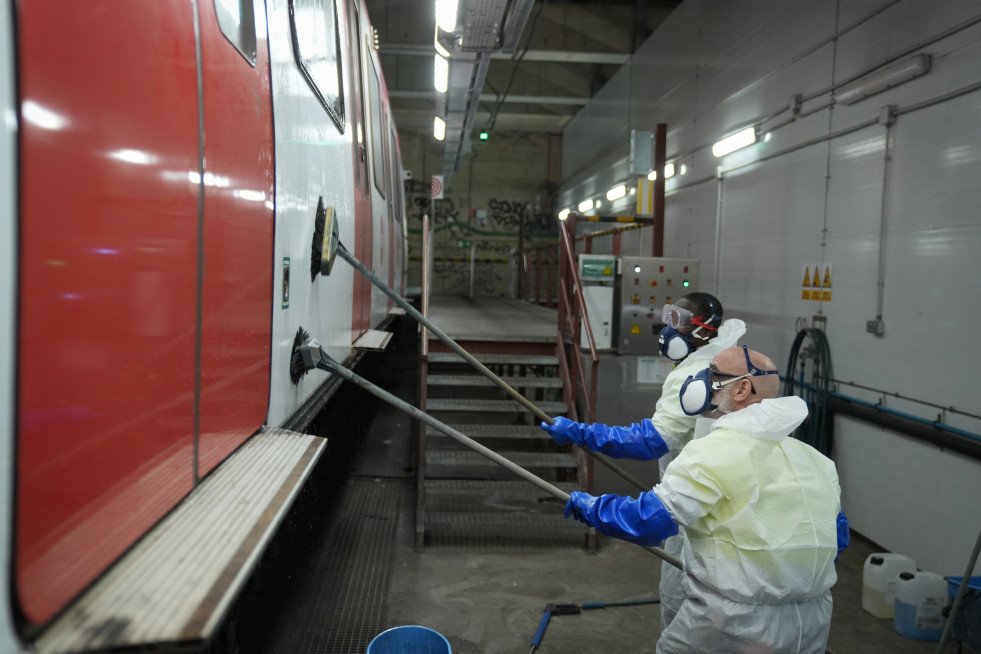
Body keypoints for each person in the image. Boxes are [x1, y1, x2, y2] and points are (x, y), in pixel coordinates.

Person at [563, 346, 849, 654]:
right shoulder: (815, 460)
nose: (700, 379)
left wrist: (594, 508)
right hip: (809, 624)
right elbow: (837, 540)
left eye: (713, 373)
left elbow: (648, 521)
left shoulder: (711, 451)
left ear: (742, 388)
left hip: (730, 624)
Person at [541, 292, 745, 629]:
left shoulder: (693, 375)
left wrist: (581, 435)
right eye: (668, 317)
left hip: (700, 519)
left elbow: (650, 442)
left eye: (677, 320)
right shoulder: (737, 364)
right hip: (736, 519)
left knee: (687, 613)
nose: (666, 329)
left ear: (704, 331)